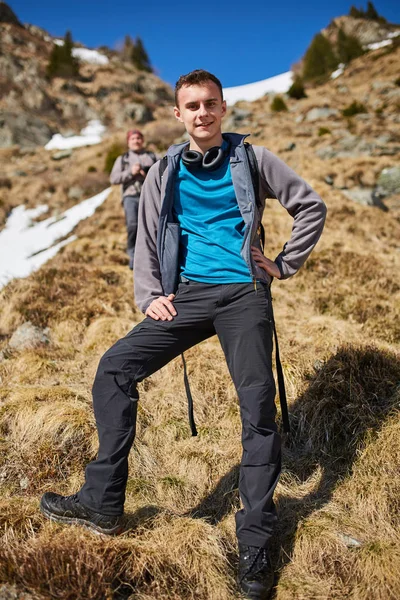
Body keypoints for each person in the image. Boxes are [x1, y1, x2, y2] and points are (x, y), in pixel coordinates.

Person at [40, 69, 326, 599]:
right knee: (115, 367)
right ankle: (102, 503)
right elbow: (148, 237)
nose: (202, 113)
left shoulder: (254, 158)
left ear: (223, 109)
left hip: (244, 294)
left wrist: (282, 264)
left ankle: (256, 545)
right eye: (191, 106)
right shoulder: (164, 170)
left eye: (210, 104)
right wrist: (152, 297)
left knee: (257, 410)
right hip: (188, 295)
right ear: (178, 114)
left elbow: (311, 206)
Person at [109, 129, 156, 269]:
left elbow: (163, 173)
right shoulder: (122, 159)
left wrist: (147, 173)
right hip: (130, 196)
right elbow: (114, 178)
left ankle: (151, 257)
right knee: (133, 226)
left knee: (152, 227)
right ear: (128, 142)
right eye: (133, 139)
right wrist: (130, 172)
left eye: (138, 138)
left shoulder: (152, 156)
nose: (136, 141)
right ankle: (133, 257)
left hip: (149, 196)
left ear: (143, 140)